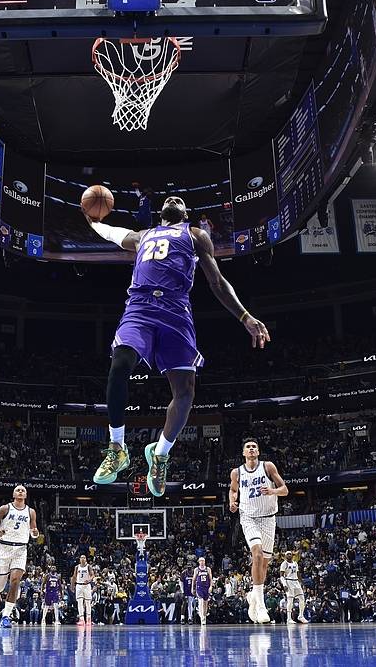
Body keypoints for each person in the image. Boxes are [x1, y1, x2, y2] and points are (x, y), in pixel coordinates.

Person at [86, 195, 270, 496]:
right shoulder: (143, 235)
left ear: (185, 214)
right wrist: (94, 222)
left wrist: (244, 316)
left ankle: (159, 454)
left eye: (179, 200)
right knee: (119, 364)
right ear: (161, 213)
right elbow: (113, 233)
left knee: (185, 392)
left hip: (176, 311)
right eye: (169, 198)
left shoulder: (195, 235)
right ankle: (117, 448)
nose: (173, 198)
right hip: (140, 307)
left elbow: (217, 282)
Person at [228, 439, 288, 624]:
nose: (251, 449)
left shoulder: (268, 467)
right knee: (257, 554)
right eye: (248, 447)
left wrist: (272, 491)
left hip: (268, 518)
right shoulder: (237, 472)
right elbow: (233, 490)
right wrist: (232, 501)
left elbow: (285, 490)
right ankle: (261, 606)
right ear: (244, 453)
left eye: (254, 446)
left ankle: (254, 596)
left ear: (258, 451)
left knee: (264, 565)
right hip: (248, 517)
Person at [0, 485, 41, 628]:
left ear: (26, 495)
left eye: (23, 490)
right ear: (13, 494)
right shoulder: (5, 508)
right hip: (4, 548)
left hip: (21, 549)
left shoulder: (31, 511)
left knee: (15, 581)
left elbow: (34, 531)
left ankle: (6, 616)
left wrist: (35, 533)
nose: (21, 491)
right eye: (18, 490)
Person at [280, 550, 308, 624]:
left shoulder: (295, 563)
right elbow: (281, 576)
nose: (289, 555)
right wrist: (284, 584)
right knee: (290, 600)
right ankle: (289, 618)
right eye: (288, 554)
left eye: (290, 554)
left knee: (302, 598)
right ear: (285, 556)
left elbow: (298, 574)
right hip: (288, 582)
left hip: (296, 582)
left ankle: (301, 616)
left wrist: (302, 583)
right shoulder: (284, 564)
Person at [71, 554, 94, 626]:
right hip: (79, 585)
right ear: (80, 559)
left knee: (88, 602)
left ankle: (89, 619)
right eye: (81, 558)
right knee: (79, 603)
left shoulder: (88, 566)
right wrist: (72, 586)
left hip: (86, 586)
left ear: (86, 559)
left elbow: (92, 575)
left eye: (84, 557)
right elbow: (74, 576)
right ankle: (81, 619)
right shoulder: (77, 567)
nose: (82, 559)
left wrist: (89, 580)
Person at [191, 557, 214, 625]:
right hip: (199, 588)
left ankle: (204, 616)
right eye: (201, 561)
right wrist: (192, 588)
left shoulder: (208, 569)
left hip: (206, 587)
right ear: (199, 562)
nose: (202, 562)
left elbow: (210, 579)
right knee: (201, 601)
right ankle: (202, 617)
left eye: (203, 561)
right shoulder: (196, 569)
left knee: (205, 603)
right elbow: (193, 579)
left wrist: (211, 586)